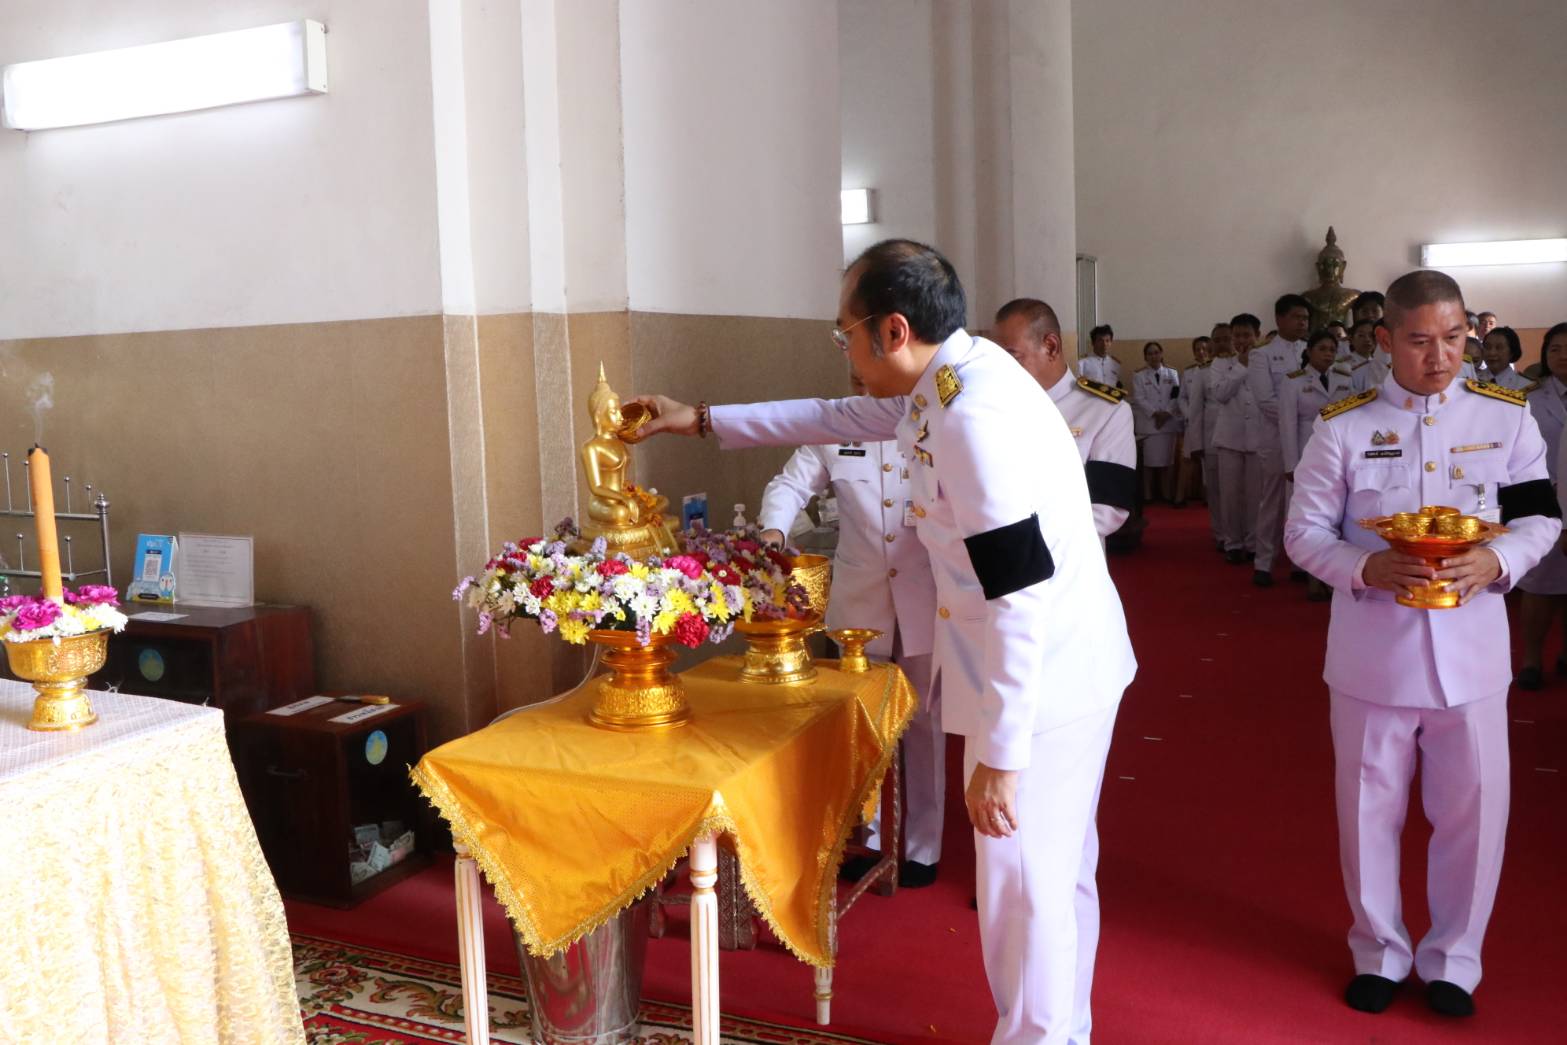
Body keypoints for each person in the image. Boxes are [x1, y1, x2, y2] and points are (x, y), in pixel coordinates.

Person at [636, 240, 1137, 1044]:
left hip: (1041, 684)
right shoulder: (953, 380)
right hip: (1063, 669)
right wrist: (699, 419)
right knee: (1054, 881)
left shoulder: (973, 417)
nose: (844, 354)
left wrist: (1001, 753)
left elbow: (1015, 592)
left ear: (892, 329)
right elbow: (837, 417)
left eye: (846, 335)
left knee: (1025, 894)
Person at [1284, 270, 1561, 1020]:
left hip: (1471, 655)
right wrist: (1363, 565)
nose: (1438, 357)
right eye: (1418, 340)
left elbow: (1540, 515)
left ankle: (1453, 959)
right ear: (1383, 341)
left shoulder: (1506, 418)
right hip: (1373, 654)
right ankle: (1377, 949)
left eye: (1451, 338)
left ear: (1467, 331)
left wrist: (1499, 559)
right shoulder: (1341, 427)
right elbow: (1302, 533)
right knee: (1367, 810)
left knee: (1474, 812)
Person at [756, 369, 944, 887]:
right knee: (861, 721)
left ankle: (923, 845)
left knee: (924, 720)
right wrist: (774, 528)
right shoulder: (836, 426)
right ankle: (868, 835)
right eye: (859, 384)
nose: (866, 393)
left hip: (926, 596)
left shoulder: (934, 420)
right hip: (861, 605)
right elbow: (789, 482)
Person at [991, 298, 1137, 540]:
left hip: (1067, 562)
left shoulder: (1104, 411)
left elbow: (1107, 509)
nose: (1002, 369)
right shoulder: (992, 406)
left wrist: (1017, 540)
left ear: (1051, 346)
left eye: (1013, 357)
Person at [1279, 330, 1356, 600]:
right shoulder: (1293, 382)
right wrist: (1290, 461)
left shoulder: (1345, 378)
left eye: (1332, 350)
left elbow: (1354, 419)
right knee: (1310, 515)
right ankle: (1310, 575)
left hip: (1340, 454)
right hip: (1305, 452)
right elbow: (1286, 424)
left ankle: (1330, 575)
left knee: (1338, 513)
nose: (1327, 354)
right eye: (1322, 348)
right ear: (1309, 351)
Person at [1514, 322, 1567, 689]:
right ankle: (1531, 659)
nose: (1562, 356)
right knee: (1539, 585)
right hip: (1542, 503)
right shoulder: (1530, 397)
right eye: (1555, 349)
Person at [1247, 294, 1313, 588]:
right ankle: (1263, 561)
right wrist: (1295, 413)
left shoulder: (1311, 350)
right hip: (1275, 438)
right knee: (1272, 501)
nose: (1303, 323)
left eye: (1306, 318)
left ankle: (1300, 562)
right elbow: (1265, 400)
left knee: (1304, 501)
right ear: (1280, 319)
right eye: (1297, 317)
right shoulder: (1262, 355)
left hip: (1310, 438)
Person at [1212, 314, 1260, 565]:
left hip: (1258, 439)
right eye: (1237, 336)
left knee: (1255, 496)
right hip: (1229, 437)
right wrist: (1241, 365)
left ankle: (1253, 543)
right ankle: (1233, 542)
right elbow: (1220, 394)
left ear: (1257, 336)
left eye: (1247, 335)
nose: (1242, 340)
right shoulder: (1221, 364)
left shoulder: (1264, 362)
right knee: (1230, 495)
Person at [1189, 323, 1234, 551]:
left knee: (1240, 491)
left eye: (1227, 338)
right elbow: (1195, 409)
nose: (1223, 344)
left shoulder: (1245, 365)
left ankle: (1241, 534)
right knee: (1216, 492)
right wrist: (1195, 443)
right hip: (1212, 439)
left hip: (1239, 438)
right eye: (1218, 340)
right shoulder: (1203, 371)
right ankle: (1221, 534)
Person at [1132, 341, 1182, 503]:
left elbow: (1176, 396)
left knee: (1168, 462)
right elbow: (1139, 398)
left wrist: (1166, 413)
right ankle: (1148, 495)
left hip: (1167, 424)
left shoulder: (1172, 373)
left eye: (1156, 352)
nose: (1153, 356)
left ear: (1161, 354)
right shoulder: (1138, 376)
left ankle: (1167, 494)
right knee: (1148, 464)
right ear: (1145, 357)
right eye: (1150, 353)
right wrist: (1155, 414)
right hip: (1149, 425)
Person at [1177, 335, 1214, 505]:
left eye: (1204, 348)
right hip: (1192, 422)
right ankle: (1180, 497)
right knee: (1187, 460)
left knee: (1209, 462)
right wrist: (1188, 415)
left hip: (1211, 423)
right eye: (1198, 349)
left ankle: (1208, 497)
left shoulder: (1215, 369)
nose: (1201, 352)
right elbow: (1182, 398)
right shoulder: (1189, 372)